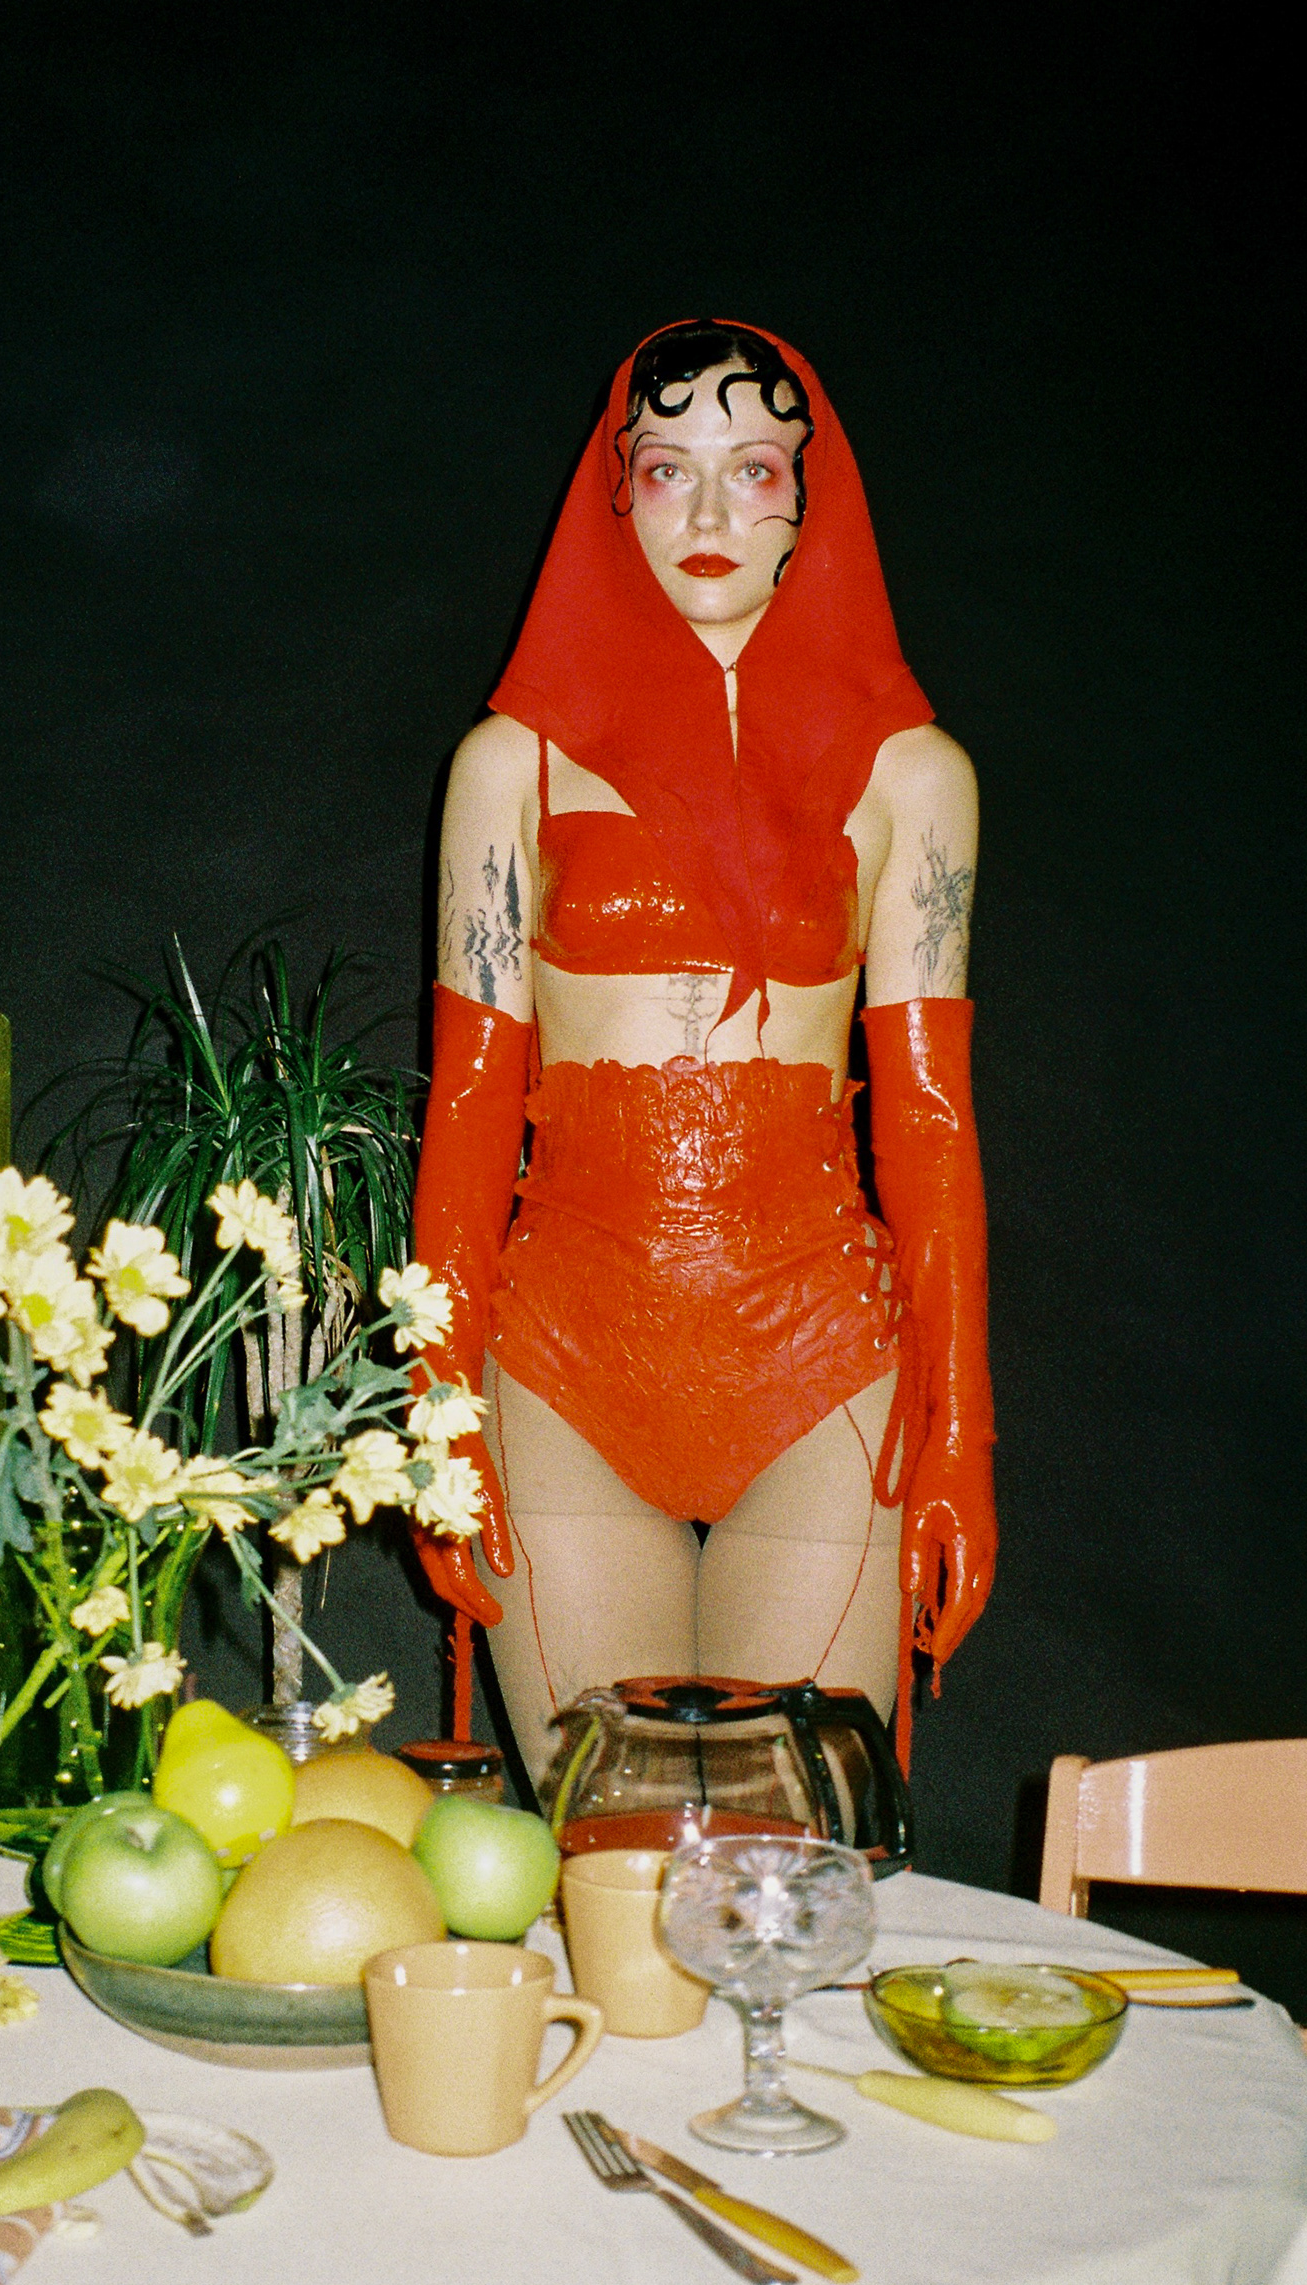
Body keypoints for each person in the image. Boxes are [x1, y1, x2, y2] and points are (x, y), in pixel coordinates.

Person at [411, 319, 995, 1793]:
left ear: (811, 499)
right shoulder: (512, 763)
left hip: (820, 1360)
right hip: (561, 1357)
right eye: (671, 469)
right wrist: (437, 1398)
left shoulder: (914, 775)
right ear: (619, 496)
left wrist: (962, 1433)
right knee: (607, 1854)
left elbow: (930, 1123)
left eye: (756, 469)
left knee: (784, 1861)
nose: (714, 511)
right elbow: (469, 1105)